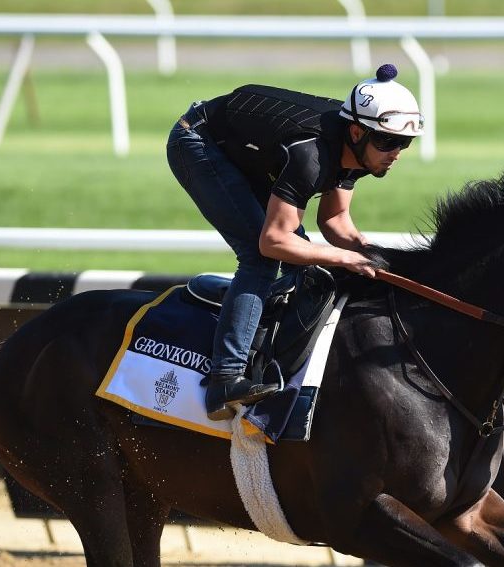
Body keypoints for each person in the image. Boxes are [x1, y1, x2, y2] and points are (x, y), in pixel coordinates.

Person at [166, 64, 424, 420]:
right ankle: (225, 377)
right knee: (261, 259)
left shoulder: (359, 152)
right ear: (356, 132)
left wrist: (372, 256)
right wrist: (343, 259)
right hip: (198, 142)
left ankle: (259, 334)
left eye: (404, 143)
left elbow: (334, 221)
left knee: (307, 260)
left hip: (249, 153)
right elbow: (272, 241)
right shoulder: (311, 156)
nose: (396, 151)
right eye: (387, 141)